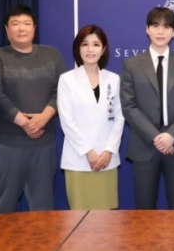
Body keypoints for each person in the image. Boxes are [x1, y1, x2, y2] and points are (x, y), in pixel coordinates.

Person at [0, 5, 67, 213]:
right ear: (6, 29)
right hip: (6, 144)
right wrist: (25, 123)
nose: (21, 28)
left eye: (26, 23)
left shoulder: (52, 55)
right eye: (15, 24)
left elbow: (64, 90)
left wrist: (44, 117)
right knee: (3, 208)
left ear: (34, 28)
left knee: (43, 209)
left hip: (43, 144)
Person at [120, 7, 174, 209]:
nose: (160, 31)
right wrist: (156, 137)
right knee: (144, 211)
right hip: (144, 145)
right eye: (155, 26)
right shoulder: (132, 65)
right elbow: (129, 106)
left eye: (166, 27)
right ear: (147, 29)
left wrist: (171, 135)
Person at [58, 25, 124, 210]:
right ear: (77, 49)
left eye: (96, 44)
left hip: (106, 160)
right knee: (80, 217)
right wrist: (89, 152)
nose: (90, 49)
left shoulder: (113, 79)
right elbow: (67, 121)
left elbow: (119, 118)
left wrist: (108, 151)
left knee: (106, 217)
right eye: (84, 44)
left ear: (103, 49)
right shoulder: (67, 80)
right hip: (79, 159)